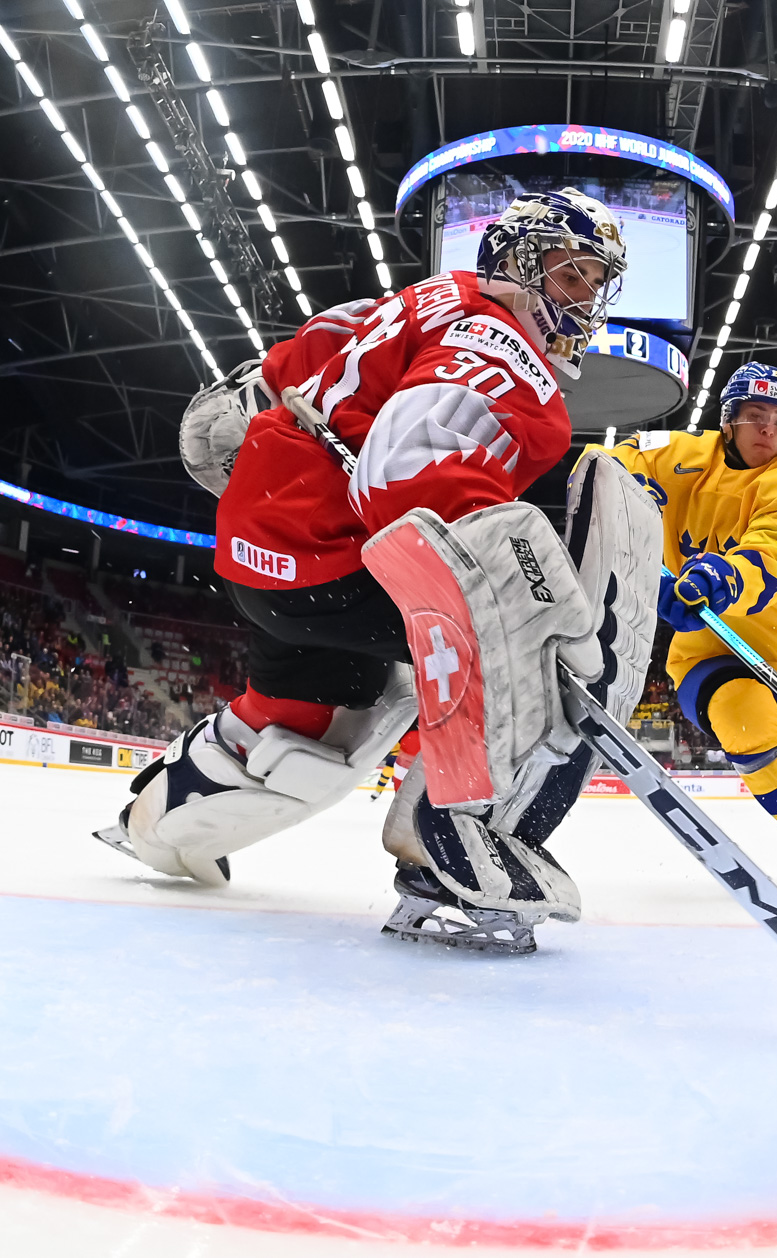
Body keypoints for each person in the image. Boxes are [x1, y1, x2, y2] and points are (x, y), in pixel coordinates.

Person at [95, 187, 655, 955]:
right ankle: (460, 834)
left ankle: (158, 823)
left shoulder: (415, 302)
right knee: (607, 503)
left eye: (595, 281)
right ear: (517, 263)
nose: (584, 298)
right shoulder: (504, 350)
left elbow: (261, 390)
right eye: (569, 274)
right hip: (339, 562)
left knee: (316, 718)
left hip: (264, 558)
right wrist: (550, 628)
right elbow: (407, 469)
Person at [602, 361, 777, 891]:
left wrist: (722, 576)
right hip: (707, 648)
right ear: (728, 418)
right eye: (756, 415)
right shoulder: (676, 454)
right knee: (745, 725)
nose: (769, 430)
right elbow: (602, 467)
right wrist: (629, 521)